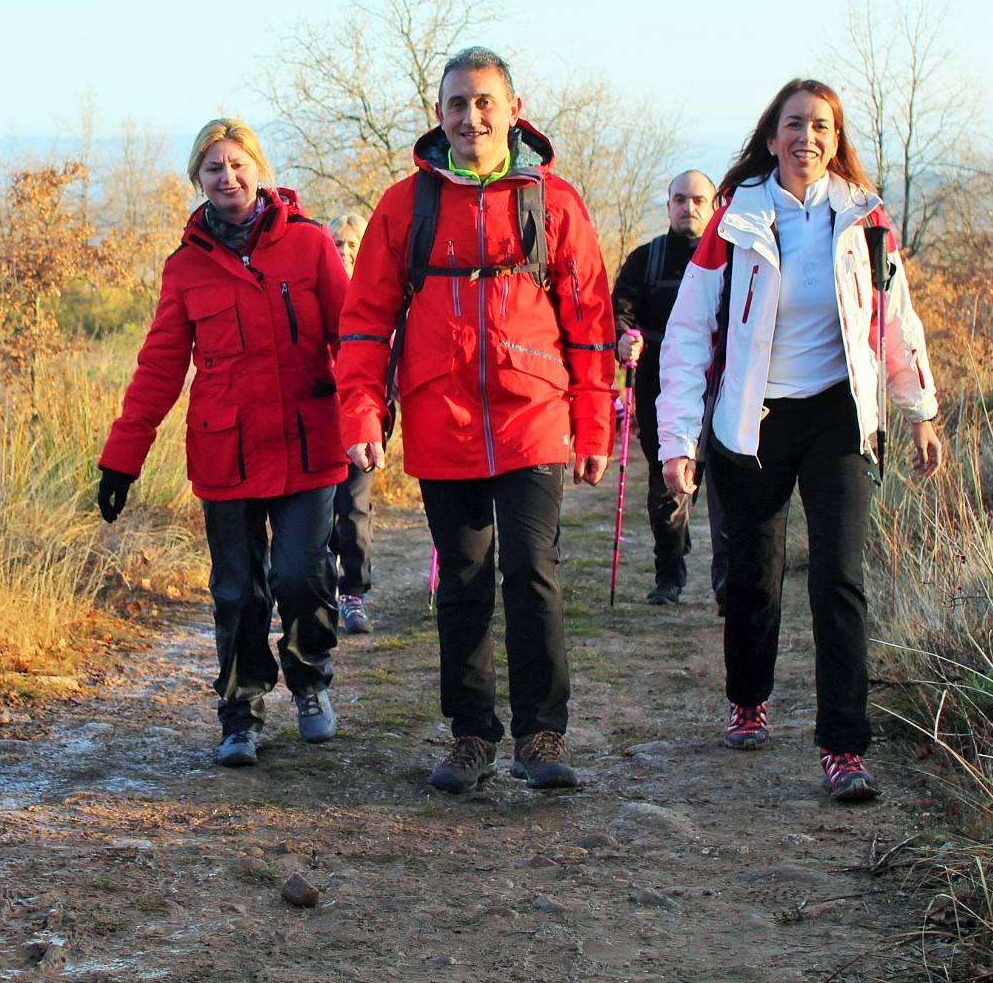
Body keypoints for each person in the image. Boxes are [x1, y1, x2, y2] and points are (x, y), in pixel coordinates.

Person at [337, 47, 617, 794]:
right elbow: (365, 323)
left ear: (514, 110)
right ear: (439, 115)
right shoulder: (406, 205)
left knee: (532, 573)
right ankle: (470, 736)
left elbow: (589, 321)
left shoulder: (555, 202)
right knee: (461, 581)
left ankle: (541, 734)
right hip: (442, 414)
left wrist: (593, 425)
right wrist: (363, 413)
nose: (472, 117)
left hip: (533, 415)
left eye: (486, 102)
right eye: (458, 104)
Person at [656, 78, 943, 802]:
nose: (806, 137)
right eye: (794, 124)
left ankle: (844, 747)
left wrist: (920, 410)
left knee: (839, 579)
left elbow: (894, 320)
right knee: (753, 579)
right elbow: (690, 333)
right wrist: (677, 439)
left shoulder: (866, 219)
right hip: (752, 424)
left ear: (835, 137)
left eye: (820, 125)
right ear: (772, 134)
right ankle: (749, 699)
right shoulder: (734, 221)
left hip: (840, 419)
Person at [97, 118, 350, 768]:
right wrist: (121, 459)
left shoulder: (312, 245)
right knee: (238, 592)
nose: (228, 176)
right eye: (214, 167)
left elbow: (352, 340)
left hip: (309, 445)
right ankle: (240, 712)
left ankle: (311, 678)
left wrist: (372, 412)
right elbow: (158, 369)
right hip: (226, 452)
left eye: (238, 164)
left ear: (259, 170)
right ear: (197, 180)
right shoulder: (186, 268)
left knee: (302, 575)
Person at [610, 170, 743, 609]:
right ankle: (669, 576)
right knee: (668, 483)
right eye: (681, 200)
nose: (690, 209)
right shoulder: (645, 260)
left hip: (725, 384)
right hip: (658, 385)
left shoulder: (738, 258)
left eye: (699, 200)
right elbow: (618, 314)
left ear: (714, 205)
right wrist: (624, 338)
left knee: (726, 485)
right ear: (668, 207)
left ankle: (727, 582)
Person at [327, 213, 376, 634]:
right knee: (321, 512)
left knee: (355, 507)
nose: (344, 252)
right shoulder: (315, 289)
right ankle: (321, 592)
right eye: (338, 245)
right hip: (320, 417)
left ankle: (354, 593)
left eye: (352, 246)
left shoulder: (377, 294)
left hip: (364, 417)